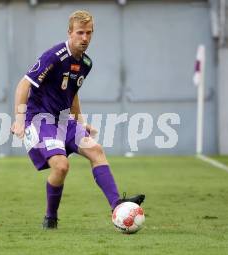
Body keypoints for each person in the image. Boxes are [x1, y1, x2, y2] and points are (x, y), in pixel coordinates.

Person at [11, 10, 145, 229]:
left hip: (64, 121)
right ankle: (50, 216)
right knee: (61, 166)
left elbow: (71, 94)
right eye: (80, 32)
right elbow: (23, 84)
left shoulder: (86, 63)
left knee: (96, 150)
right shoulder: (53, 57)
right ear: (70, 32)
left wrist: (81, 123)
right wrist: (19, 119)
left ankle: (117, 206)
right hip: (40, 121)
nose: (85, 38)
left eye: (89, 33)